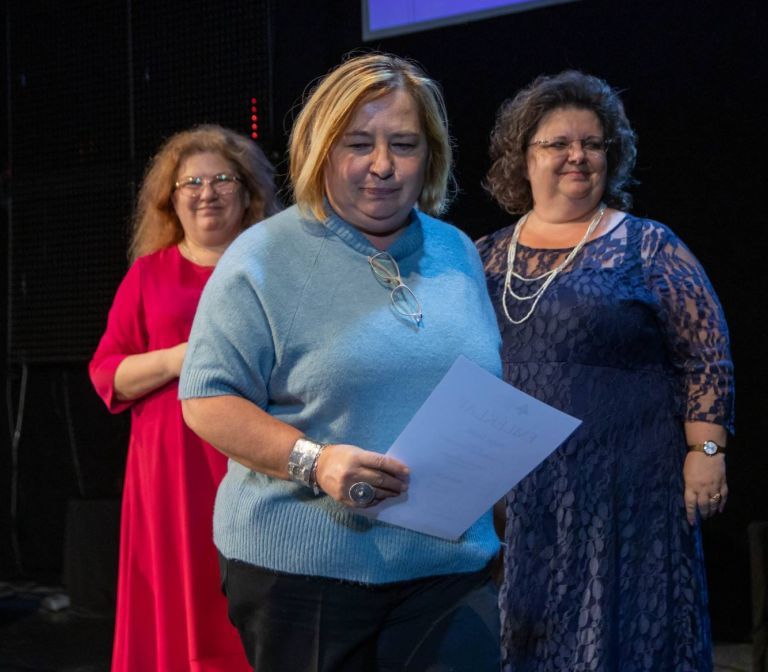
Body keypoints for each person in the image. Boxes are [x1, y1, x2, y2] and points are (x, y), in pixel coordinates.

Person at [178, 52, 503, 672]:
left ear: (430, 155)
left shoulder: (457, 251)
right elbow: (207, 400)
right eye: (358, 144)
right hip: (304, 575)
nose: (382, 164)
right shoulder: (262, 255)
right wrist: (316, 461)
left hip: (449, 568)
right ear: (321, 150)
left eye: (403, 144)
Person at [475, 70, 735, 672]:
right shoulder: (484, 253)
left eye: (592, 144)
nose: (578, 156)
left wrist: (707, 451)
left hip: (625, 490)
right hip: (521, 493)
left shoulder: (647, 245)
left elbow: (706, 352)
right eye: (559, 143)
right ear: (523, 158)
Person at [89, 124, 280, 672]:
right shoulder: (148, 274)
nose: (206, 192)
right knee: (178, 591)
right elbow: (108, 375)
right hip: (170, 469)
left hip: (253, 457)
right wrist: (182, 356)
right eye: (191, 183)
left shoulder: (273, 270)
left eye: (222, 179)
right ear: (170, 200)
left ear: (248, 192)